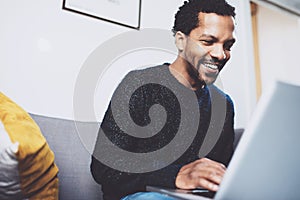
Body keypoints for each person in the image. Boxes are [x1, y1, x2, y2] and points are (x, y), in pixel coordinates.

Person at [91, 0, 237, 199]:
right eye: (208, 41)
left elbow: (219, 175)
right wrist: (175, 175)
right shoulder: (139, 84)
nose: (221, 55)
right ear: (180, 41)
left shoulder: (224, 105)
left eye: (227, 45)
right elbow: (104, 168)